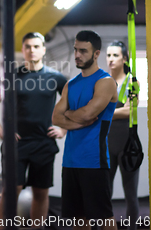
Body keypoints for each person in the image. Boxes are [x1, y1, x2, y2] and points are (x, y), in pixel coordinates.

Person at [0, 32, 67, 228]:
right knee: (10, 192)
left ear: (43, 49)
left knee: (40, 193)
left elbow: (74, 105)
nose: (31, 50)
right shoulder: (10, 76)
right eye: (27, 46)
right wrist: (2, 132)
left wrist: (63, 129)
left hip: (44, 143)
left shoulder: (56, 77)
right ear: (23, 50)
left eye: (35, 46)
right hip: (17, 144)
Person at [52, 30, 118, 230]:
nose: (77, 55)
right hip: (70, 161)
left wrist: (69, 114)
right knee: (77, 219)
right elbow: (55, 117)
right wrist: (77, 118)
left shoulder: (105, 82)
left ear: (96, 54)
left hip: (94, 161)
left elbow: (89, 114)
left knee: (104, 217)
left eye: (83, 51)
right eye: (75, 50)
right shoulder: (71, 84)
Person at [106, 41, 139, 230]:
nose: (111, 59)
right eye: (108, 55)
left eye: (115, 55)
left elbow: (130, 112)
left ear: (124, 58)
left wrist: (104, 112)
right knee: (105, 193)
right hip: (108, 143)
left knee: (131, 194)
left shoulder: (132, 82)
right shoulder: (103, 82)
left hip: (128, 144)